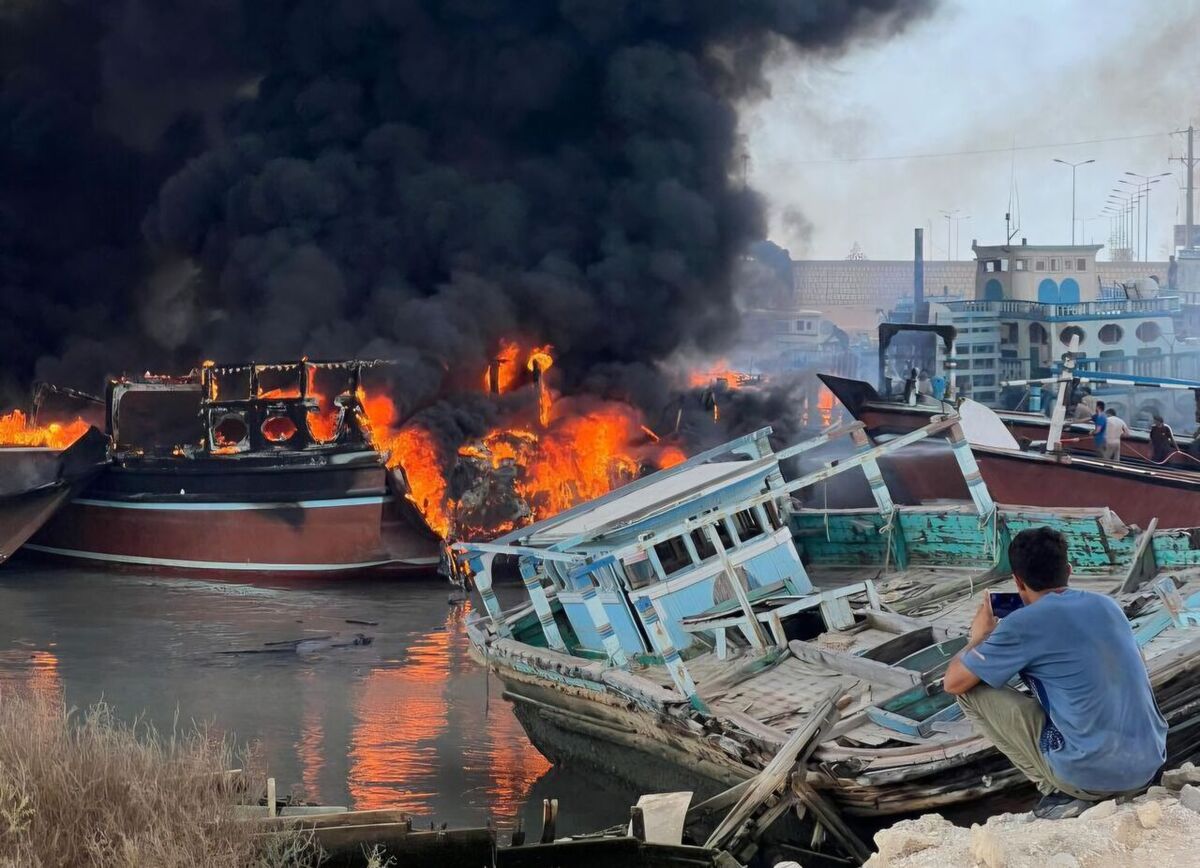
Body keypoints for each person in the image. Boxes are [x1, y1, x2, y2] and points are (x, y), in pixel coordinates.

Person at [943, 527, 1166, 820]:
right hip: (1150, 763)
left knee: (970, 691)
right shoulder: (1107, 604)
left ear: (1018, 581)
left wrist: (979, 637)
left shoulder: (1021, 624)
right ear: (1069, 571)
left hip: (1092, 774)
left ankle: (1060, 790)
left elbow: (952, 682)